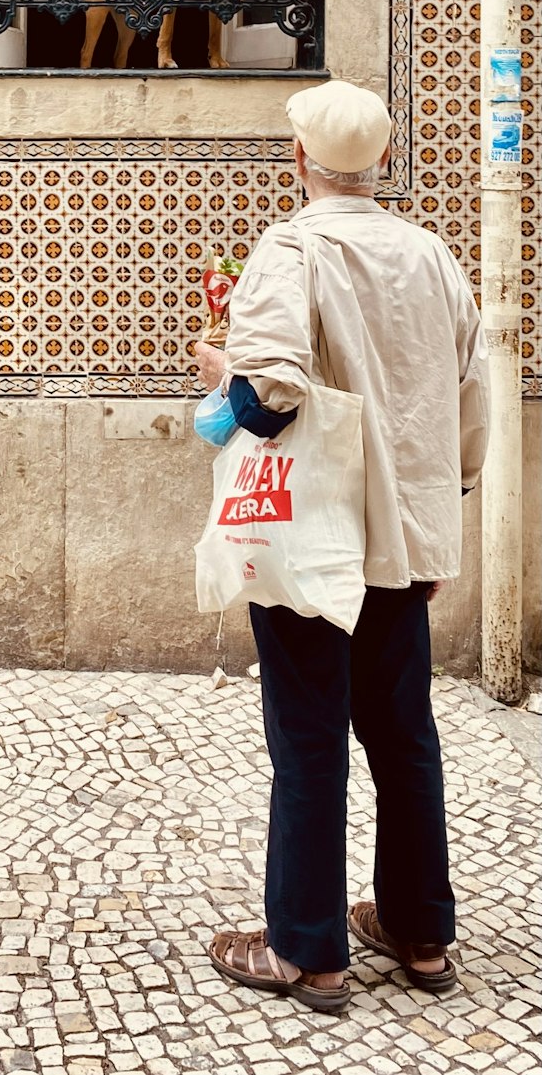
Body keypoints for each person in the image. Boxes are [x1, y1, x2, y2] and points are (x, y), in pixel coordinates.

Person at [195, 79, 490, 1014]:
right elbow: (473, 390)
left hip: (312, 541)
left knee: (311, 735)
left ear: (299, 162)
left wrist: (221, 379)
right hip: (406, 535)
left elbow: (272, 389)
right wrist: (447, 507)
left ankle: (307, 952)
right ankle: (419, 930)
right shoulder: (431, 254)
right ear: (384, 165)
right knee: (404, 735)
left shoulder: (292, 247)